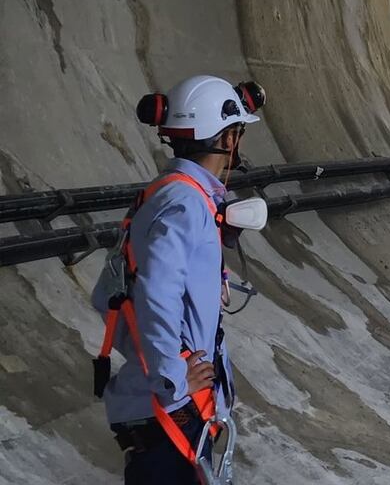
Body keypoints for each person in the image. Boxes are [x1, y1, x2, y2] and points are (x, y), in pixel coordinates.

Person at [91, 75, 264, 484]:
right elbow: (157, 289)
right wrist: (171, 376)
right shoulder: (185, 202)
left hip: (172, 410)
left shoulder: (179, 193)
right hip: (168, 415)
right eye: (237, 132)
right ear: (227, 138)